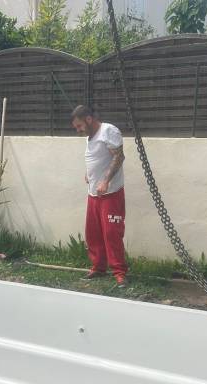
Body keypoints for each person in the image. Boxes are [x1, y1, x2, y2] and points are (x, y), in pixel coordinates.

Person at [70, 106, 128, 287]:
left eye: (79, 126)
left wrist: (105, 181)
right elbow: (98, 158)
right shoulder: (91, 136)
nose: (78, 130)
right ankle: (99, 267)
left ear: (88, 119)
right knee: (93, 234)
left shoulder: (108, 131)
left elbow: (119, 157)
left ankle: (120, 273)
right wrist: (89, 174)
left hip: (111, 194)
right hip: (94, 195)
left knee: (112, 233)